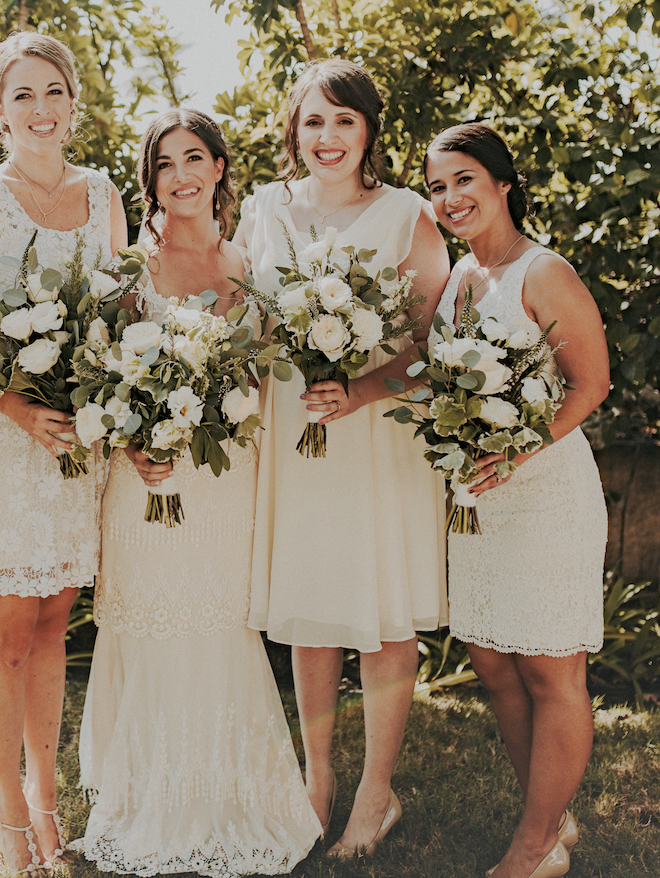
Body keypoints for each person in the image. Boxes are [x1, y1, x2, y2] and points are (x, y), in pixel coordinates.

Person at [72, 109, 323, 877]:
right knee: (153, 622)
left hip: (224, 479)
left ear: (219, 168)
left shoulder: (250, 265)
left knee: (218, 623)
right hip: (146, 479)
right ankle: (148, 798)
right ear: (149, 181)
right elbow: (93, 373)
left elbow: (260, 376)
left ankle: (230, 796)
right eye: (164, 164)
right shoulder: (126, 269)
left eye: (194, 159)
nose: (180, 176)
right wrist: (131, 440)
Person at [234, 59, 451, 858]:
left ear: (369, 132)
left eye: (344, 121)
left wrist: (360, 390)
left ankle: (376, 792)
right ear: (294, 128)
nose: (328, 138)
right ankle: (315, 779)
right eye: (314, 122)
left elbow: (432, 345)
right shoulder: (263, 210)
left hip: (375, 437)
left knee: (382, 613)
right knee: (310, 610)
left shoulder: (406, 217)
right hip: (294, 436)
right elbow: (237, 316)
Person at [0, 31, 129, 874]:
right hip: (3, 434)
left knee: (56, 622)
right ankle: (8, 807)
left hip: (76, 440)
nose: (41, 109)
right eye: (23, 95)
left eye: (53, 91)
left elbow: (123, 308)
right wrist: (16, 404)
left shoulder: (104, 192)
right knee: (9, 630)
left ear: (72, 100)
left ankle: (50, 797)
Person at [425, 122, 610, 878]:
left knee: (551, 671)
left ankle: (532, 849)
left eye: (464, 178)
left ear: (503, 183)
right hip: (477, 500)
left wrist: (519, 447)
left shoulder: (544, 272)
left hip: (543, 496)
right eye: (437, 187)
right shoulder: (459, 279)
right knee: (494, 663)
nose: (450, 197)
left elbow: (589, 384)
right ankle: (550, 818)